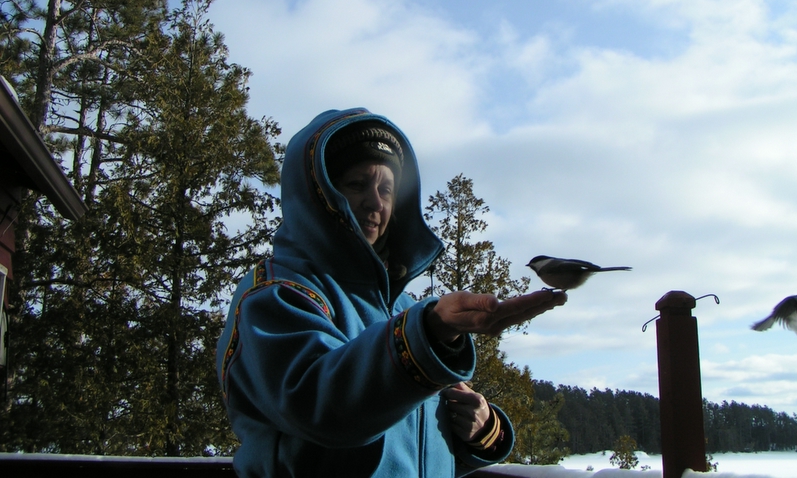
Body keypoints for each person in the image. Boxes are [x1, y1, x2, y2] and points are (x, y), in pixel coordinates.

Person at [216, 108, 567, 477]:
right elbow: (321, 411)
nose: (375, 202)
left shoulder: (400, 308)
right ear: (318, 196)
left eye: (386, 189)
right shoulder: (276, 294)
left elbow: (404, 449)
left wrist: (478, 427)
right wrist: (428, 333)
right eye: (356, 185)